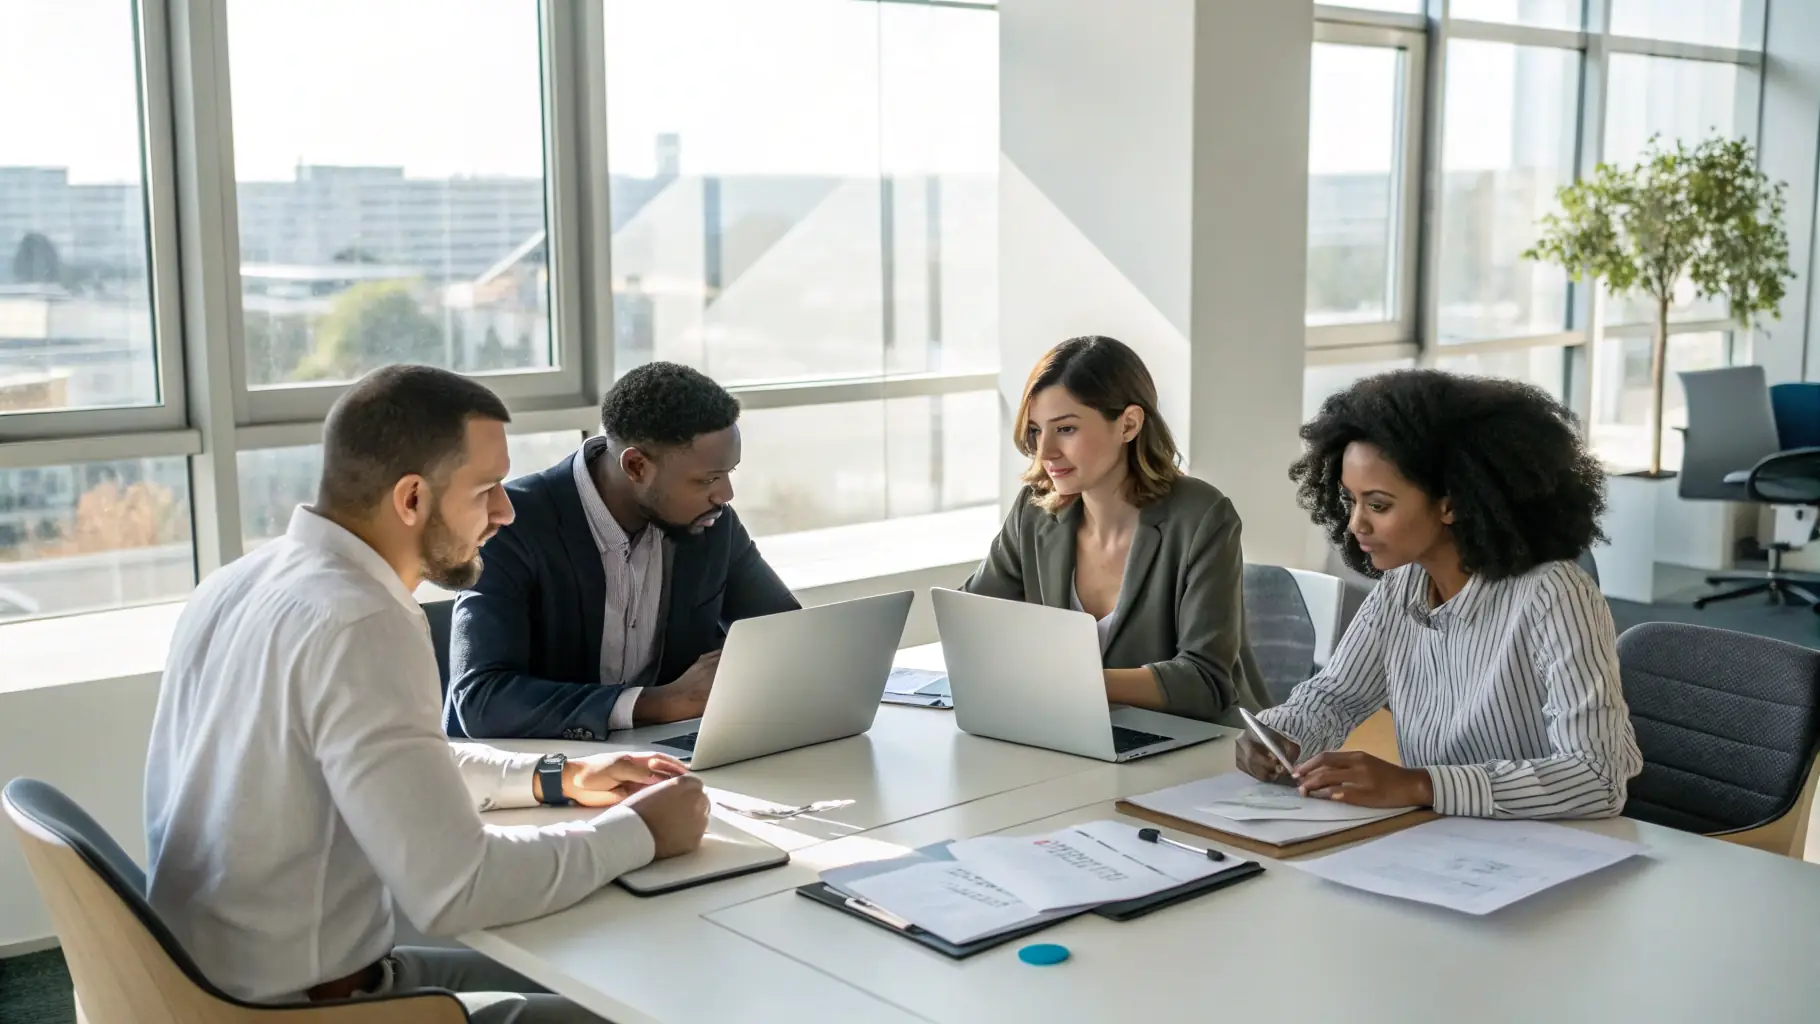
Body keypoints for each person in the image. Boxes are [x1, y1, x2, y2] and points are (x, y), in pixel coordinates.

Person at [144, 365, 710, 1023]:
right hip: (307, 1008)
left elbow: (392, 768)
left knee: (614, 967)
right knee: (642, 1000)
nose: (506, 512)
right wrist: (640, 832)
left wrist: (559, 777)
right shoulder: (362, 620)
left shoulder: (240, 581)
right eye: (488, 490)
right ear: (411, 499)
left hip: (211, 985)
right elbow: (457, 889)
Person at [1240, 369, 1643, 819]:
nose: (1356, 525)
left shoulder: (1554, 595)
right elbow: (1337, 695)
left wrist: (1421, 784)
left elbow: (1597, 777)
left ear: (1453, 503)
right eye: (1350, 501)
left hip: (1549, 850)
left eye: (1378, 505)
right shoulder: (1402, 584)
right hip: (1439, 842)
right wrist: (1280, 734)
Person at [447, 361, 798, 740]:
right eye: (708, 479)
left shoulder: (710, 521)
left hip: (666, 760)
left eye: (729, 473)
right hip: (537, 773)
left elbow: (791, 637)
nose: (725, 494)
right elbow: (481, 699)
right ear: (635, 465)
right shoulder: (511, 524)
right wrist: (659, 703)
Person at [962, 335, 1269, 725]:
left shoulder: (1203, 517)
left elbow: (1204, 682)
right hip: (1078, 733)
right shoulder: (1034, 513)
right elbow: (972, 623)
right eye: (1038, 431)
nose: (1046, 453)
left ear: (1128, 424)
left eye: (1066, 429)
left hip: (1196, 745)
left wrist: (1073, 682)